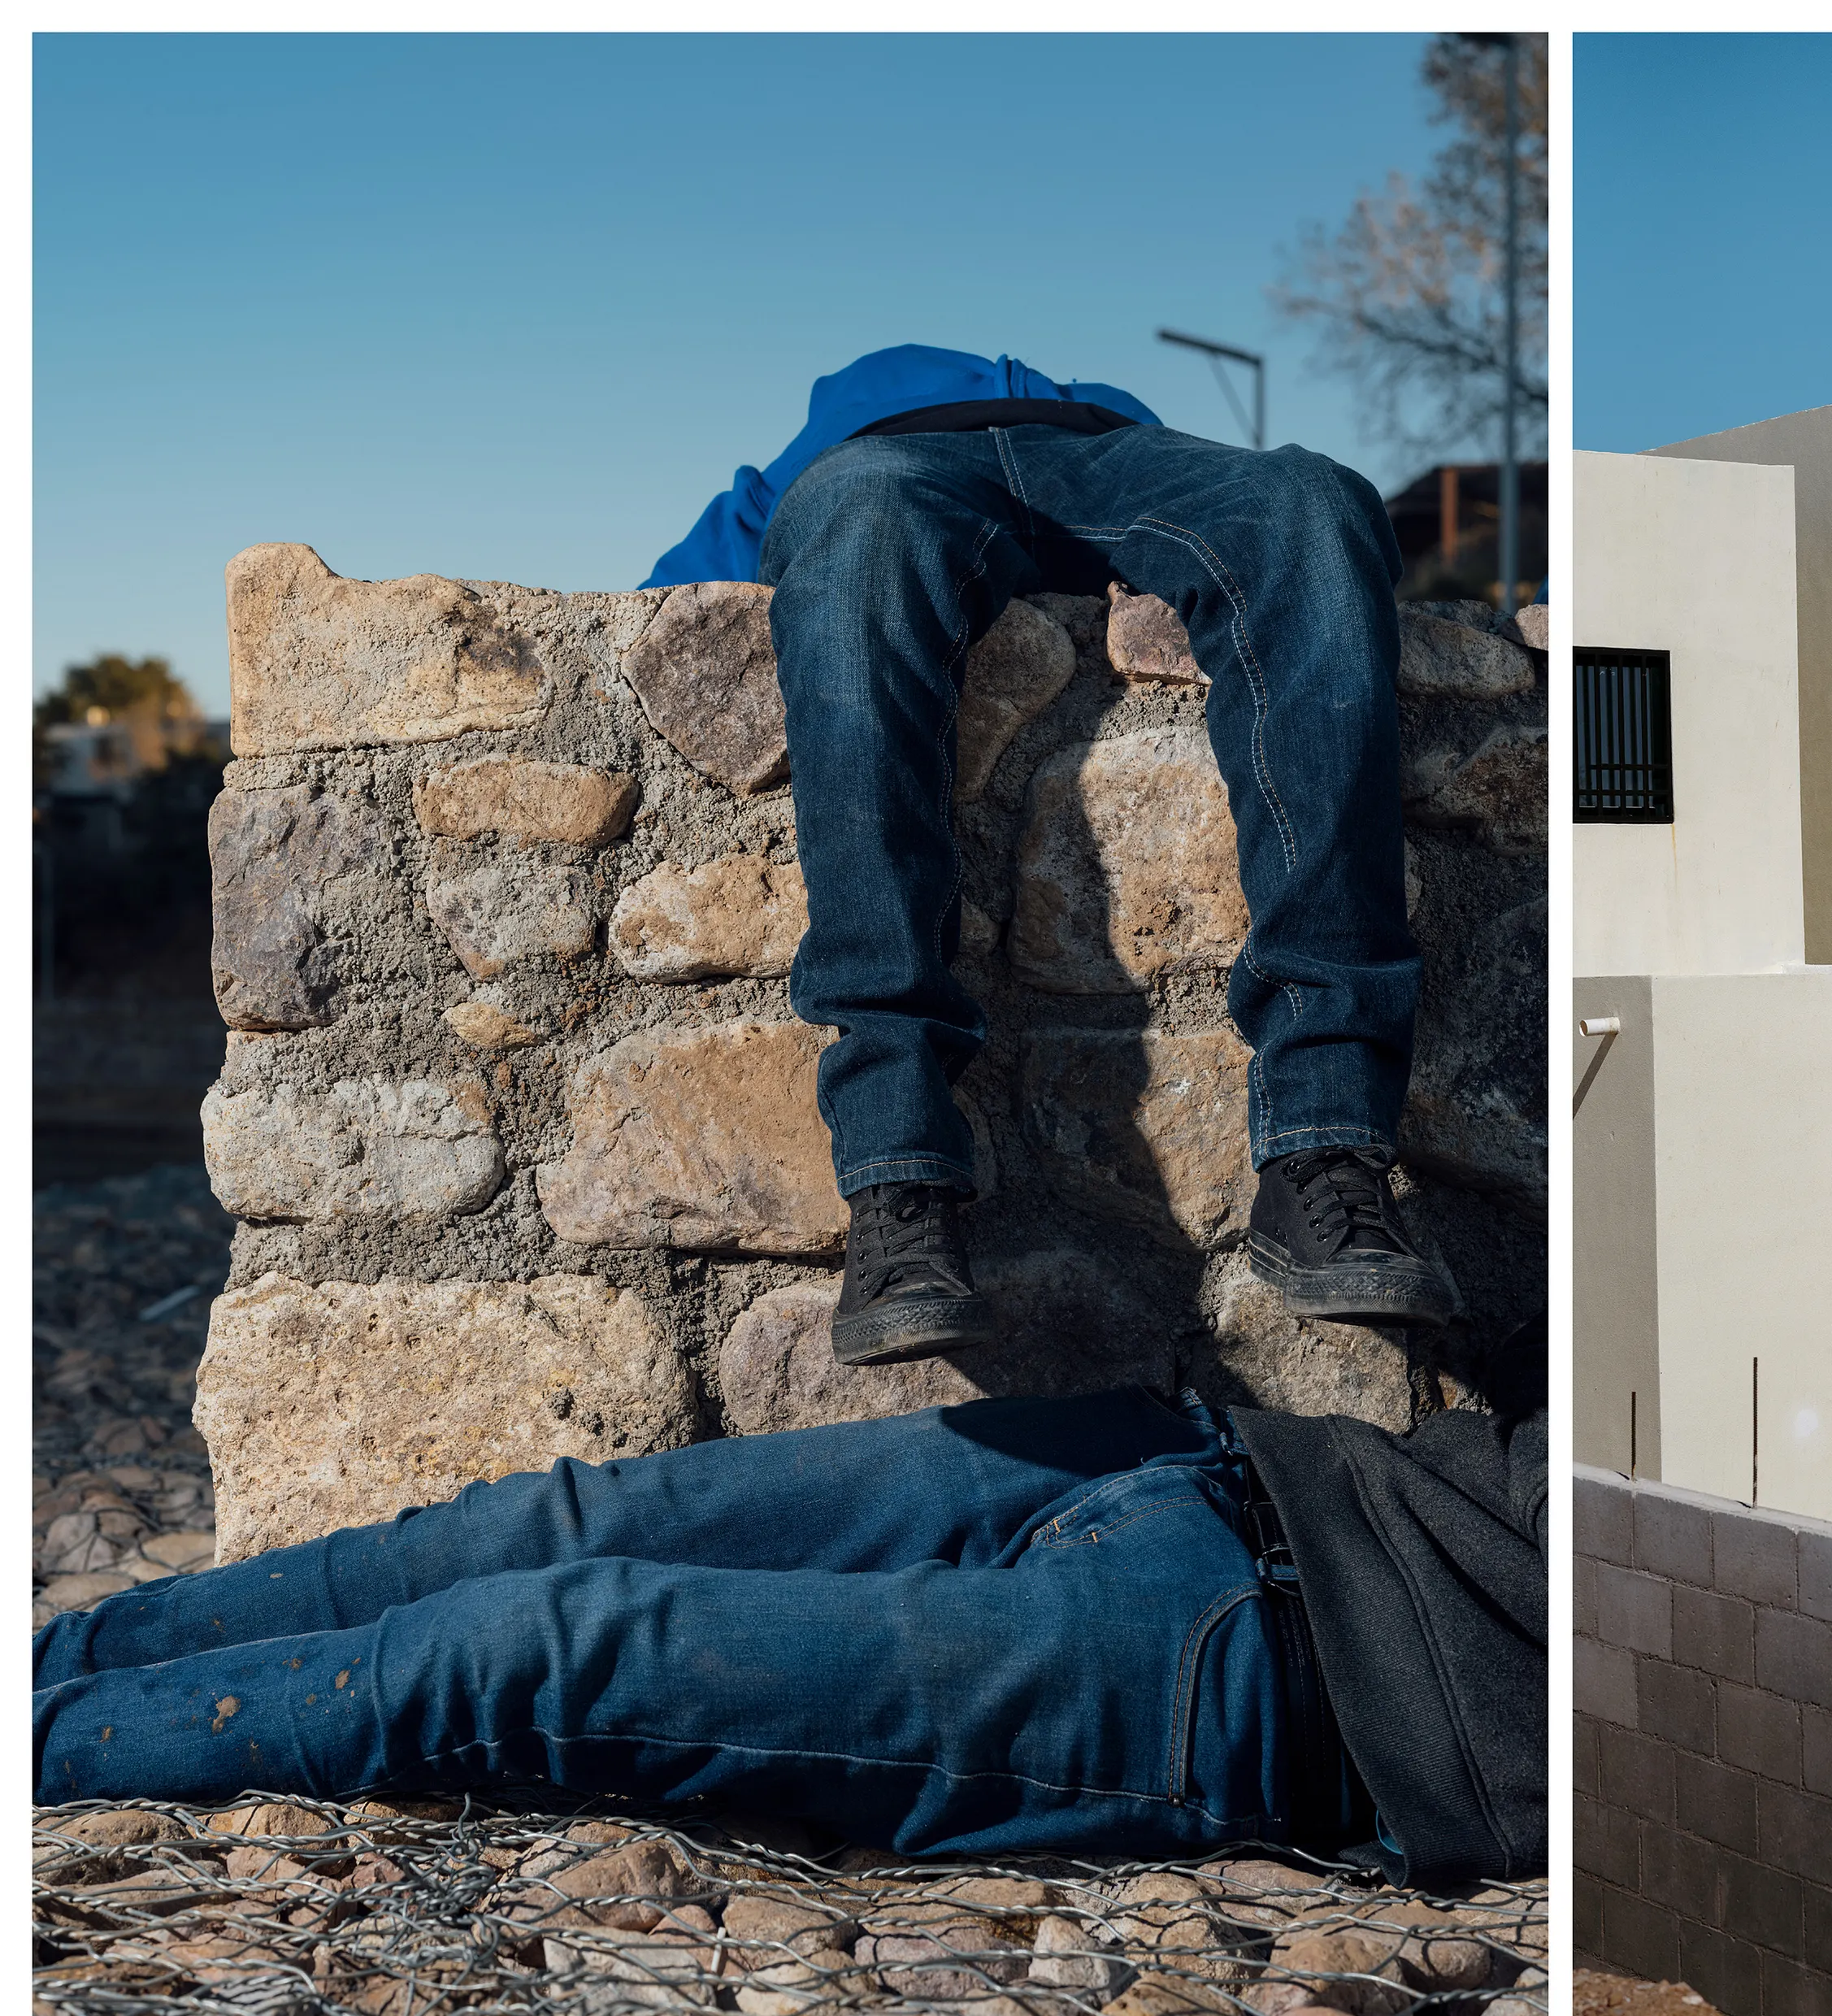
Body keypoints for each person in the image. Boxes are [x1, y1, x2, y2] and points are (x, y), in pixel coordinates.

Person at [648, 344, 1456, 1366]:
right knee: (856, 542)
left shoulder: (1105, 409)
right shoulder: (829, 438)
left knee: (1310, 495)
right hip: (888, 466)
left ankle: (1325, 1145)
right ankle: (900, 1171)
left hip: (1113, 455)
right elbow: (668, 593)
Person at [32, 1366, 1547, 1888]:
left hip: (1284, 1683)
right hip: (1221, 1455)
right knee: (535, 1523)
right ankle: (56, 1663)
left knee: (537, 1647)